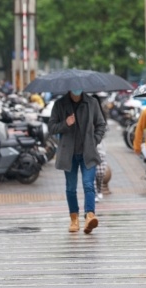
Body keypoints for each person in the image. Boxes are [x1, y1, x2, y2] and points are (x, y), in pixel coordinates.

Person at [48, 89, 106, 233]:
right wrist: (66, 123)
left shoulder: (91, 103)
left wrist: (94, 141)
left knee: (88, 185)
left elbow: (101, 125)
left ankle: (90, 216)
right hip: (69, 154)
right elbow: (51, 128)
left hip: (88, 152)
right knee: (71, 188)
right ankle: (74, 219)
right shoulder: (60, 104)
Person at [91, 94, 108, 203]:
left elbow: (104, 130)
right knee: (91, 172)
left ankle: (99, 188)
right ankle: (95, 193)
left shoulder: (102, 115)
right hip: (89, 147)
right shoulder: (86, 113)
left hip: (100, 146)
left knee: (101, 171)